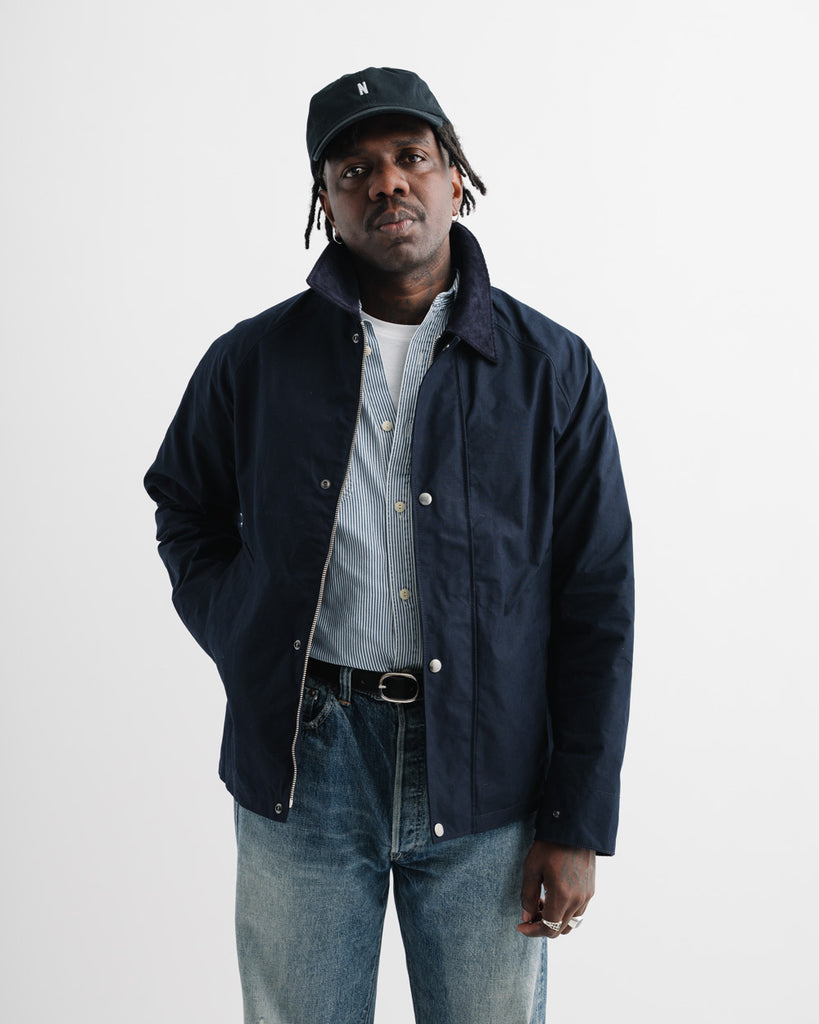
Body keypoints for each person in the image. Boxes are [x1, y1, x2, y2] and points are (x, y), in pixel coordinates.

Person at [145, 66, 634, 1024]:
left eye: (411, 156)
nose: (387, 183)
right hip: (306, 763)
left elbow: (596, 599)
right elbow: (183, 507)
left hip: (490, 769)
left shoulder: (550, 369)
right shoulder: (254, 360)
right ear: (324, 203)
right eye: (355, 170)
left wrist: (576, 819)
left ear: (455, 177)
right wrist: (247, 631)